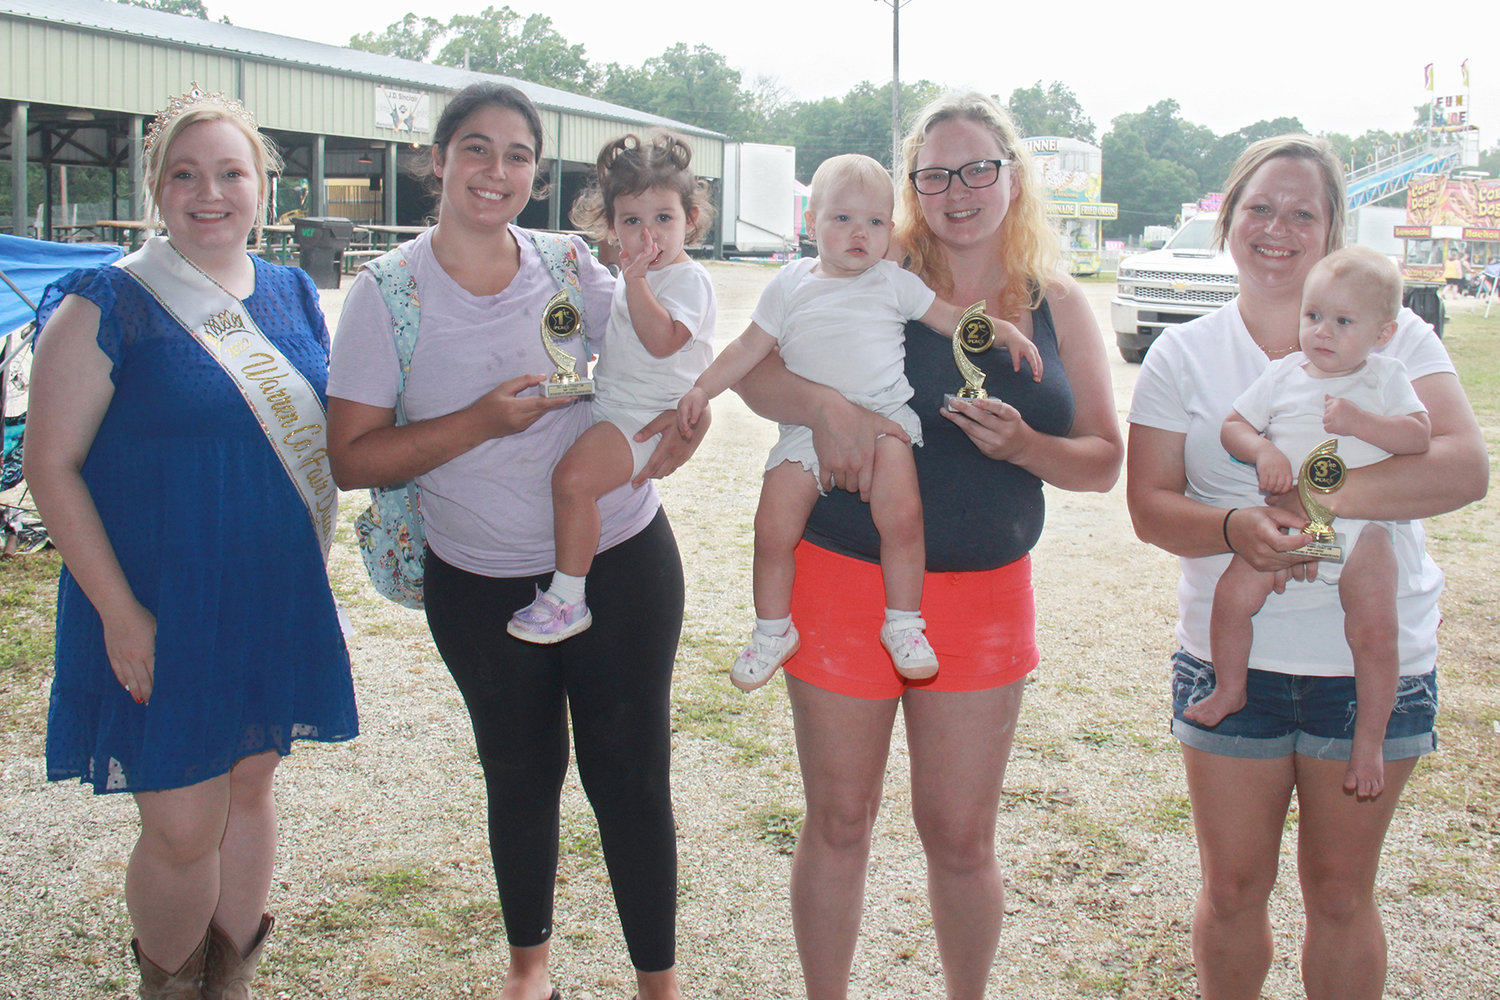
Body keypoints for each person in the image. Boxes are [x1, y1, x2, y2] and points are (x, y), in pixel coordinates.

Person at [734, 93, 1122, 999]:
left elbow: (1105, 460)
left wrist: (1024, 446)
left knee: (958, 835)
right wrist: (827, 408)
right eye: (935, 173)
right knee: (837, 819)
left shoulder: (1058, 304)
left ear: (1012, 179)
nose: (957, 191)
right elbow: (753, 369)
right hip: (842, 573)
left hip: (983, 593)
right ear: (912, 187)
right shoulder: (867, 262)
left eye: (977, 168)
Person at [325, 82, 702, 1000]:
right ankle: (528, 970)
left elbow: (662, 357)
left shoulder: (572, 260)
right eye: (477, 150)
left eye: (519, 155)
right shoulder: (387, 296)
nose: (498, 172)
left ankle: (660, 984)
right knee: (522, 773)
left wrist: (683, 433)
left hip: (620, 559)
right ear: (439, 160)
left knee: (631, 776)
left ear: (536, 173)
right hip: (483, 581)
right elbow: (352, 457)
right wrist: (482, 422)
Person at [1126, 134, 1487, 1000]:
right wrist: (1238, 526)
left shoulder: (1396, 345)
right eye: (1260, 207)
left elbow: (1463, 469)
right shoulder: (1186, 353)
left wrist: (1317, 505)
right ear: (1228, 222)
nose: (1278, 228)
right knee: (1235, 889)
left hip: (1367, 667)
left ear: (1330, 232)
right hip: (1232, 659)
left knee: (1338, 894)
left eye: (1303, 212)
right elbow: (1150, 509)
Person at [24, 87, 357, 998]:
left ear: (262, 187)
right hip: (156, 602)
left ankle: (233, 979)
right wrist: (120, 614)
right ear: (157, 189)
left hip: (268, 592)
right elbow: (50, 465)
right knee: (179, 824)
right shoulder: (107, 303)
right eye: (186, 174)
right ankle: (169, 988)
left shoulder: (291, 291)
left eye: (230, 173)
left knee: (250, 789)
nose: (210, 193)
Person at [680, 152, 1042, 691]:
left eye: (875, 222)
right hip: (803, 430)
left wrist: (1000, 331)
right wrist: (701, 388)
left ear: (889, 231)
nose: (860, 233)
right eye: (842, 218)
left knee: (903, 518)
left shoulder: (892, 281)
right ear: (811, 224)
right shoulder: (789, 283)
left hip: (886, 420)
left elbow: (949, 319)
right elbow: (748, 348)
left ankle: (904, 623)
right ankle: (773, 629)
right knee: (772, 529)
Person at [1195, 247, 1430, 802]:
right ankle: (1231, 688)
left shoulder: (1386, 376)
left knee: (1374, 631)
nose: (1322, 332)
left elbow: (1419, 437)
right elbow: (1233, 426)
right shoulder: (1282, 375)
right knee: (1231, 598)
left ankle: (1369, 741)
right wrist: (1261, 452)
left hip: (1363, 530)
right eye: (1313, 315)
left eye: (1343, 321)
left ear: (1383, 333)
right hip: (1286, 521)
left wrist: (1363, 423)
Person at [507, 131, 716, 644]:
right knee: (573, 483)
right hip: (615, 407)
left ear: (690, 219)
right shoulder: (627, 276)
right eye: (632, 221)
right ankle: (567, 591)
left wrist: (639, 281)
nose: (649, 235)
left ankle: (567, 599)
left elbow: (663, 340)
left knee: (573, 482)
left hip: (645, 417)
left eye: (663, 218)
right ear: (611, 227)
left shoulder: (686, 281)